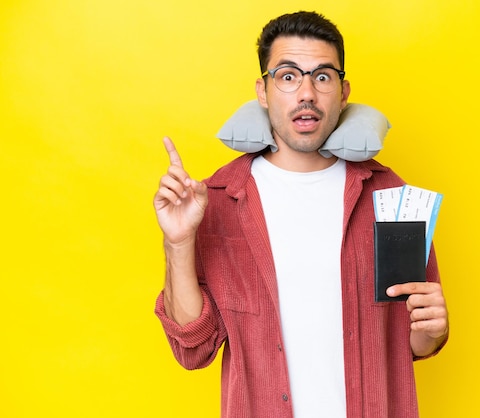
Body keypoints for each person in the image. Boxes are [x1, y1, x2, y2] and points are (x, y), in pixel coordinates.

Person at [153, 10, 449, 418]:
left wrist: (432, 332)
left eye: (322, 77)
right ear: (263, 90)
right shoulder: (216, 200)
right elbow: (193, 349)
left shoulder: (391, 197)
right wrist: (179, 242)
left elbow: (414, 342)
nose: (306, 93)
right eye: (288, 76)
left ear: (343, 92)